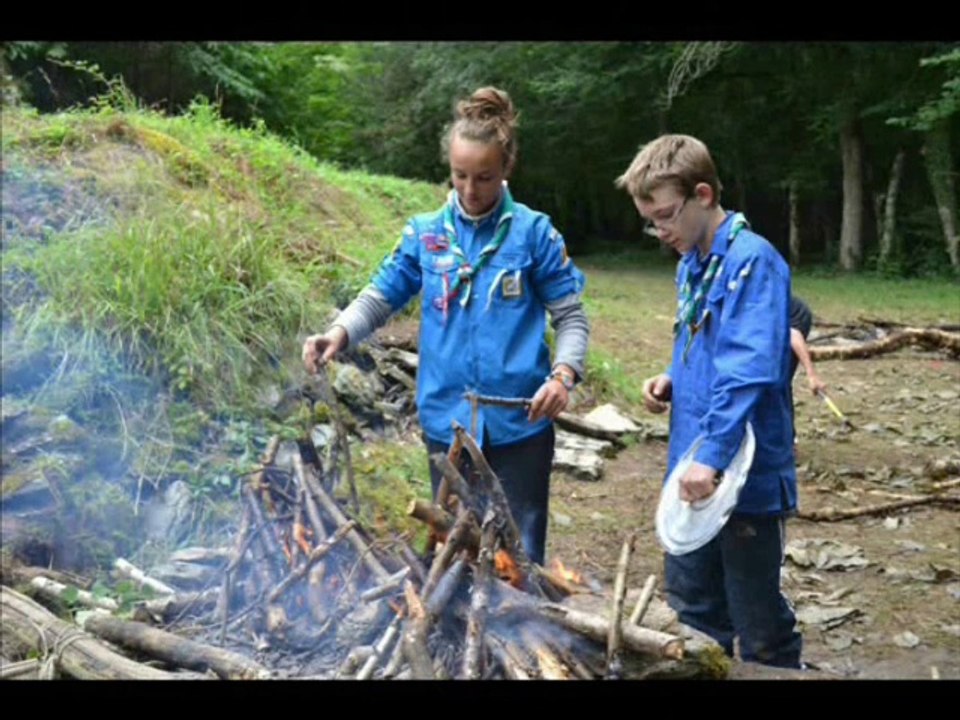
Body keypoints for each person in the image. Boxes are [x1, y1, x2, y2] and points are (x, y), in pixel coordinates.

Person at [302, 87, 589, 566]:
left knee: (519, 560)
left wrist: (564, 375)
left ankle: (526, 636)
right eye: (460, 176)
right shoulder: (425, 233)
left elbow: (571, 317)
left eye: (484, 177)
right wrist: (339, 332)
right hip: (448, 424)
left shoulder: (534, 234)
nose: (470, 190)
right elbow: (380, 295)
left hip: (521, 425)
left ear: (506, 170)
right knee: (456, 550)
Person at [616, 134, 802, 668]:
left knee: (759, 622)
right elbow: (712, 346)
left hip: (739, 475)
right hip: (693, 471)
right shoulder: (692, 262)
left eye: (666, 215)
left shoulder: (752, 261)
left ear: (703, 194)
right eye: (649, 219)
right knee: (694, 611)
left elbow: (749, 369)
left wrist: (713, 455)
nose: (659, 230)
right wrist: (673, 375)